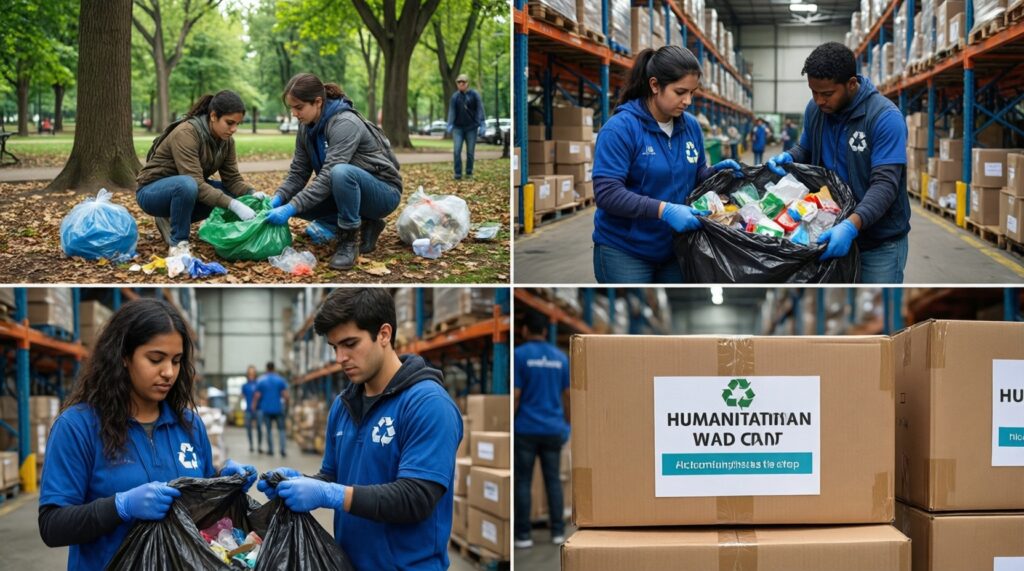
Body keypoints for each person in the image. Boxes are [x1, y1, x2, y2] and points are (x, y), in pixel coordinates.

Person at [37, 298, 256, 571]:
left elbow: (201, 514)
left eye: (176, 361)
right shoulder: (78, 427)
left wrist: (221, 483)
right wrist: (120, 506)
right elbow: (52, 526)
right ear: (124, 357)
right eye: (155, 359)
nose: (169, 373)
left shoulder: (188, 425)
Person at [256, 288, 462, 571]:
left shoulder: (428, 404)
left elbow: (416, 497)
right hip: (348, 563)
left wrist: (331, 494)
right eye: (334, 347)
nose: (340, 357)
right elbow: (333, 475)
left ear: (384, 334)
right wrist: (299, 482)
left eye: (350, 343)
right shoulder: (343, 405)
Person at [591, 45, 744, 283]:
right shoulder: (621, 129)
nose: (688, 101)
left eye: (692, 93)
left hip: (676, 247)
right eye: (680, 92)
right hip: (625, 250)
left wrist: (715, 173)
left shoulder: (690, 126)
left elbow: (696, 175)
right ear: (654, 85)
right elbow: (607, 193)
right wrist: (664, 210)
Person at [767, 42, 910, 283]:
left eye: (827, 94)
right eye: (813, 92)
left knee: (874, 309)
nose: (819, 100)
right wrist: (790, 157)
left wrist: (851, 226)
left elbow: (885, 185)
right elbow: (806, 148)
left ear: (851, 84)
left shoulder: (884, 118)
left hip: (878, 243)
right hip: (828, 233)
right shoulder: (816, 110)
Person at [265, 72, 403, 271]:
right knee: (289, 196)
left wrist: (292, 208)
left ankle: (349, 241)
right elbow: (298, 173)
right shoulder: (306, 128)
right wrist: (279, 199)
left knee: (341, 173)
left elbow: (330, 174)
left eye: (299, 107)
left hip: (383, 193)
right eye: (291, 108)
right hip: (344, 189)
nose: (294, 113)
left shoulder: (345, 123)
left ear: (318, 102)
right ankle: (367, 223)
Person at [136, 90, 265, 255]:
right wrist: (234, 205)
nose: (234, 129)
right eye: (229, 123)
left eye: (237, 124)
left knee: (230, 194)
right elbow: (194, 182)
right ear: (213, 116)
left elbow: (232, 180)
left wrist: (251, 193)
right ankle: (178, 245)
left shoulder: (226, 142)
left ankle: (173, 218)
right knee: (188, 185)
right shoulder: (186, 133)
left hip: (185, 188)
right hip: (151, 192)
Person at [513, 310, 570, 550]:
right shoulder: (560, 357)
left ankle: (524, 535)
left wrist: (513, 418)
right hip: (553, 428)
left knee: (524, 482)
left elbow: (516, 395)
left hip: (526, 428)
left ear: (525, 330)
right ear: (545, 331)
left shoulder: (519, 355)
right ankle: (558, 532)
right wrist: (567, 424)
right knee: (553, 480)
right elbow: (568, 395)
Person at [446, 73, 486, 180]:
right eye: (459, 82)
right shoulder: (455, 97)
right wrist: (449, 124)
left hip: (471, 128)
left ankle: (469, 172)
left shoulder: (474, 95)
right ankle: (457, 173)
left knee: (470, 152)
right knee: (457, 150)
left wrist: (482, 123)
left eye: (463, 82)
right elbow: (452, 111)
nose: (461, 84)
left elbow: (480, 109)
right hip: (458, 128)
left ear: (467, 83)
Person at [253, 361, 289, 457]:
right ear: (274, 368)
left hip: (266, 409)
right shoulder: (280, 380)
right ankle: (282, 450)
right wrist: (287, 406)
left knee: (268, 430)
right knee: (281, 429)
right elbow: (285, 395)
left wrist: (253, 406)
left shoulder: (261, 381)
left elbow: (257, 395)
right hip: (278, 408)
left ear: (266, 368)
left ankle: (271, 450)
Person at [241, 364, 263, 453]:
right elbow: (242, 397)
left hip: (259, 409)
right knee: (248, 428)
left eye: (253, 372)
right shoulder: (245, 386)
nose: (251, 374)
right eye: (250, 373)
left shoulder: (259, 384)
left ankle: (259, 446)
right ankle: (251, 445)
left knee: (259, 428)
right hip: (248, 410)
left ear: (255, 373)